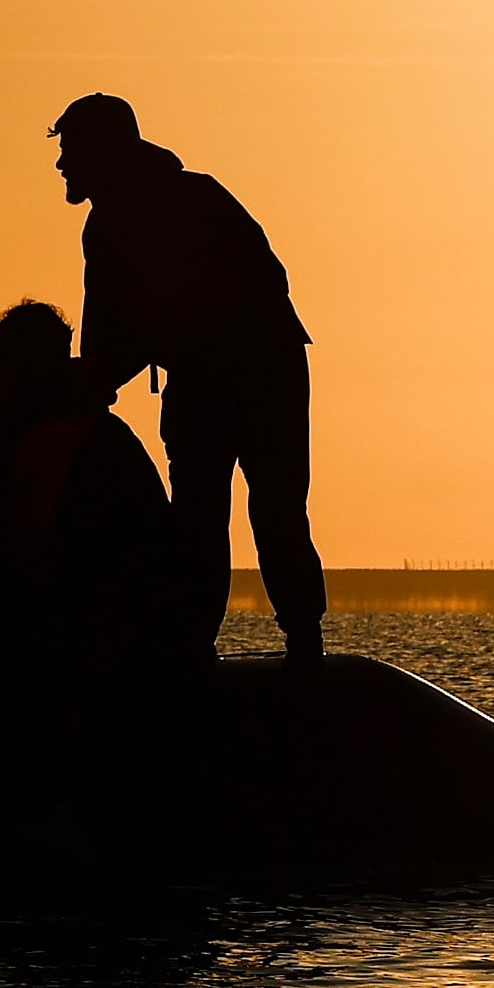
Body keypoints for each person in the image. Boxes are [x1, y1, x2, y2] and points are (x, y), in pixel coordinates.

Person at [51, 91, 322, 662]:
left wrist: (99, 379)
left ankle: (299, 639)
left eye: (70, 150)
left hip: (258, 374)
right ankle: (198, 642)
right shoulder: (110, 224)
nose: (61, 165)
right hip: (207, 376)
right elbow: (109, 332)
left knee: (267, 507)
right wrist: (91, 383)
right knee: (200, 514)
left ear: (104, 151)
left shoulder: (189, 200)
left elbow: (145, 325)